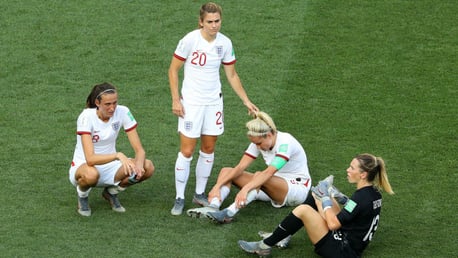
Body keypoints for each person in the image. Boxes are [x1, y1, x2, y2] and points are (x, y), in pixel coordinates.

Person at [168, 2, 258, 216]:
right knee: (187, 150)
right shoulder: (190, 40)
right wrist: (176, 100)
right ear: (201, 22)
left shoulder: (225, 43)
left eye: (217, 21)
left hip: (213, 103)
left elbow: (232, 75)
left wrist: (245, 100)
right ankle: (179, 196)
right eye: (210, 22)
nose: (214, 25)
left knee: (208, 149)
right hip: (191, 103)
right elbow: (173, 70)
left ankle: (199, 193)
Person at [238, 153, 394, 257]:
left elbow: (333, 224)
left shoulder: (360, 198)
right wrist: (338, 198)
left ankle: (263, 246)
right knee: (316, 194)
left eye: (352, 168)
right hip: (350, 241)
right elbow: (358, 211)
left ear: (363, 174)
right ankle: (283, 236)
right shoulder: (374, 193)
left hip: (341, 250)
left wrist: (326, 198)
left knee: (303, 209)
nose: (347, 170)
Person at [186, 111, 312, 225]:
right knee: (227, 171)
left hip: (296, 190)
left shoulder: (286, 143)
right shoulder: (259, 140)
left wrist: (245, 189)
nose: (257, 147)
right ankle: (213, 206)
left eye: (259, 143)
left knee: (259, 175)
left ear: (268, 135)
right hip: (272, 186)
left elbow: (268, 173)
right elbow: (240, 167)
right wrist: (217, 186)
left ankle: (228, 213)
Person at [69, 82, 155, 216]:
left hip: (111, 167)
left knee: (148, 167)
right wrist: (117, 155)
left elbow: (140, 150)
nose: (112, 108)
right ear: (97, 102)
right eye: (107, 104)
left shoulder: (123, 111)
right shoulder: (86, 117)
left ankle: (111, 193)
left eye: (115, 103)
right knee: (91, 174)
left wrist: (139, 166)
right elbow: (90, 159)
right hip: (84, 167)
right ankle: (83, 196)